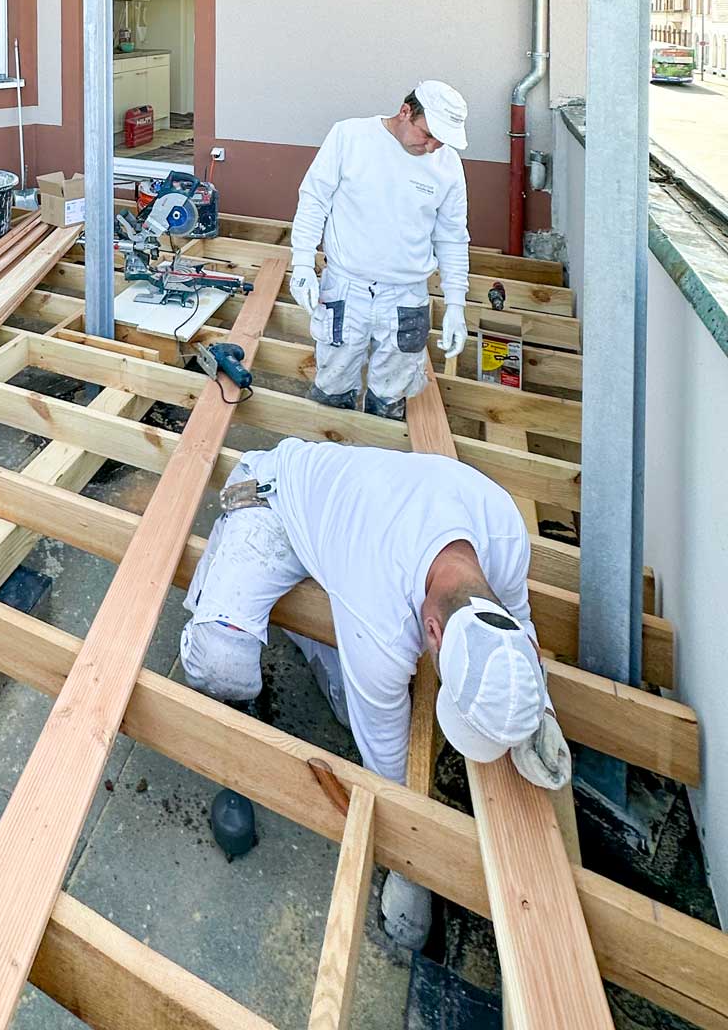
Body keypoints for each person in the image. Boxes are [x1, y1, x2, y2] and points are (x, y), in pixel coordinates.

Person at [180, 438, 571, 950]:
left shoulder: (504, 531)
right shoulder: (381, 624)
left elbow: (519, 619)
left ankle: (308, 618)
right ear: (432, 632)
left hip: (353, 526)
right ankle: (233, 640)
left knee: (354, 698)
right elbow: (384, 751)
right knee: (224, 663)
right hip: (272, 498)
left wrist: (536, 711)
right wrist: (408, 861)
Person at [287, 82, 471, 420]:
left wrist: (456, 305)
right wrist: (301, 263)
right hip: (346, 288)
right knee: (332, 388)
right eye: (428, 134)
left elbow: (452, 238)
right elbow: (314, 200)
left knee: (390, 399)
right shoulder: (350, 137)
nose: (432, 146)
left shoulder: (447, 166)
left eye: (440, 141)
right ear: (405, 112)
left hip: (406, 297)